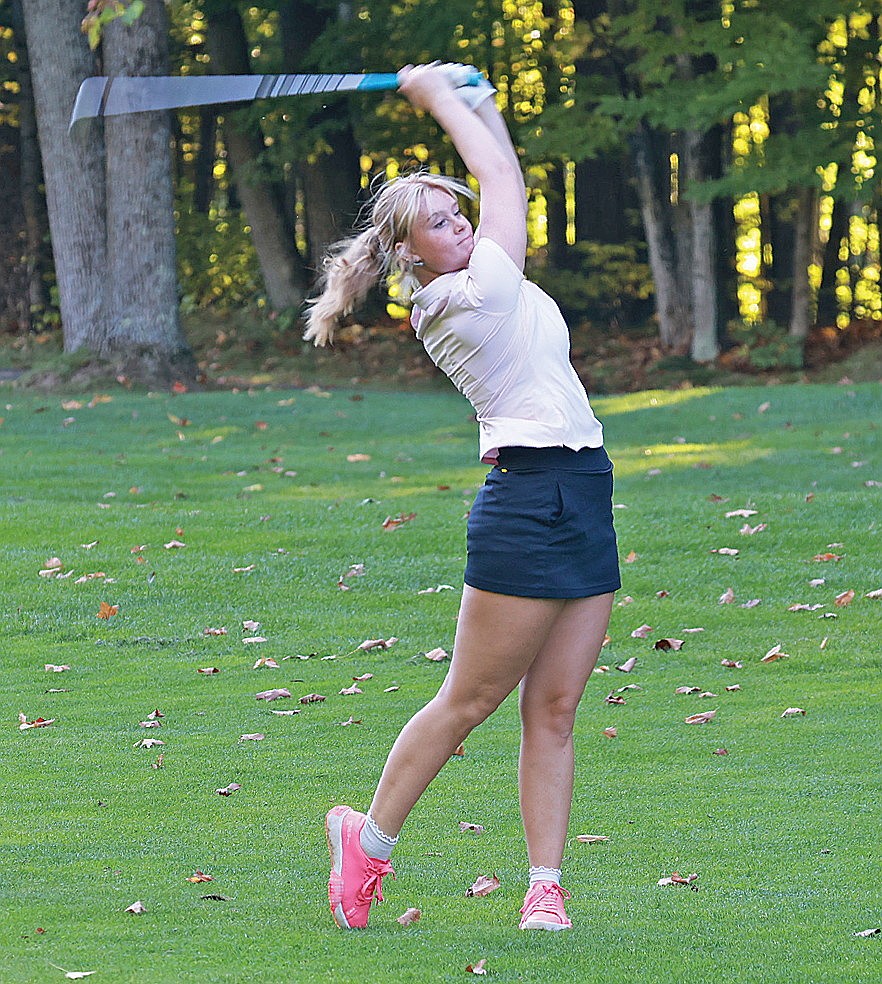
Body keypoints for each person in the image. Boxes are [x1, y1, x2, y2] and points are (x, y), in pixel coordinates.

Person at [304, 62, 620, 932]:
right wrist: (440, 99)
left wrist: (477, 103)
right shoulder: (463, 298)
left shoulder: (490, 271)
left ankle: (545, 889)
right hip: (525, 503)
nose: (461, 223)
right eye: (439, 223)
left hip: (585, 488)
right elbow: (504, 178)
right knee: (469, 700)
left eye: (459, 212)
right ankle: (366, 843)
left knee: (555, 708)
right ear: (412, 255)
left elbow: (496, 181)